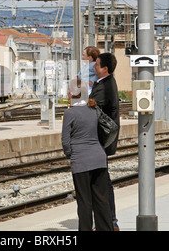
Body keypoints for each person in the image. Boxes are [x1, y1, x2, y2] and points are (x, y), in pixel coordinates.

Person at [61, 79, 114, 231]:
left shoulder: (70, 113)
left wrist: (71, 154)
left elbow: (65, 141)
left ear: (71, 93)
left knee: (84, 202)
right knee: (102, 200)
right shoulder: (95, 109)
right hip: (99, 159)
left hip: (81, 161)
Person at [89, 52, 120, 231]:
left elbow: (91, 107)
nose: (94, 66)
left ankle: (110, 222)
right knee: (101, 181)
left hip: (100, 141)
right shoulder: (104, 83)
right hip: (101, 141)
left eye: (97, 64)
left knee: (101, 182)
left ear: (105, 68)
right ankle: (109, 221)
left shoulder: (106, 86)